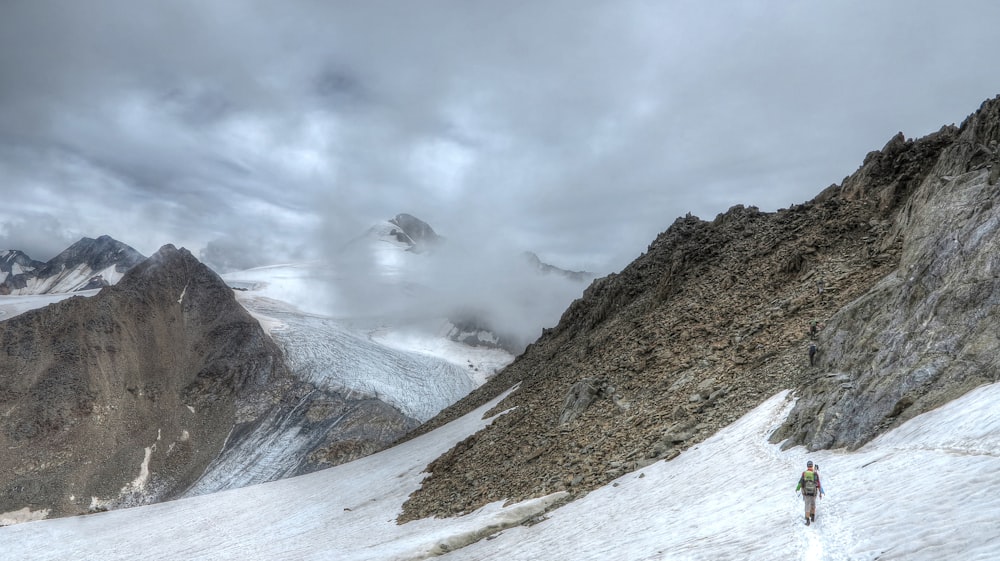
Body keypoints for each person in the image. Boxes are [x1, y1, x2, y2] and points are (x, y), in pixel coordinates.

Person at [795, 460, 822, 525]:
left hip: (806, 492)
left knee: (807, 505)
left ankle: (807, 520)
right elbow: (818, 484)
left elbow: (801, 482)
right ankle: (812, 517)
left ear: (807, 466)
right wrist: (820, 492)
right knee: (813, 504)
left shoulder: (804, 473)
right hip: (814, 492)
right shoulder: (815, 474)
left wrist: (797, 488)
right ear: (812, 466)